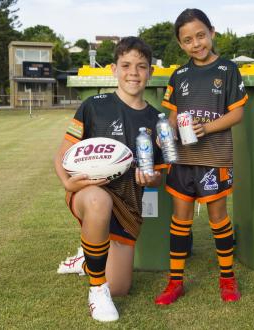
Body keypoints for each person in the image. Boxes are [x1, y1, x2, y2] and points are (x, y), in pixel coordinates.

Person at [54, 36, 165, 322]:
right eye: (126, 65)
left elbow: (160, 174)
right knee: (98, 198)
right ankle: (96, 289)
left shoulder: (156, 119)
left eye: (141, 66)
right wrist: (68, 183)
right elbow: (63, 154)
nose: (133, 72)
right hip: (89, 194)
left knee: (121, 287)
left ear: (150, 72)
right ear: (114, 69)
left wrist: (150, 179)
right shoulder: (94, 106)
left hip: (128, 204)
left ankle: (88, 257)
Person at [154, 8, 248, 305]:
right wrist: (164, 133)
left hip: (214, 158)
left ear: (212, 33)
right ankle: (175, 282)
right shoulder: (179, 74)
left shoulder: (228, 70)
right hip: (182, 159)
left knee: (218, 218)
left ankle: (227, 278)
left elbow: (238, 113)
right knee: (179, 220)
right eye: (188, 40)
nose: (196, 44)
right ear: (181, 45)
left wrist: (206, 128)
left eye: (200, 36)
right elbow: (172, 116)